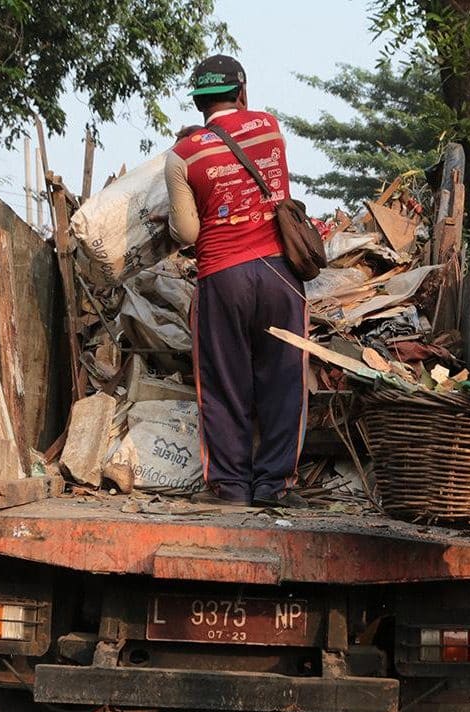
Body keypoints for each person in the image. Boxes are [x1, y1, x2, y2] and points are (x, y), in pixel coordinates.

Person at [166, 55, 310, 508]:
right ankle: (274, 485)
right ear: (242, 92)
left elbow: (187, 233)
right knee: (284, 380)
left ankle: (230, 486)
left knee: (225, 382)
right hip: (278, 274)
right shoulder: (269, 127)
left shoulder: (182, 156)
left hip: (221, 278)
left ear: (198, 102)